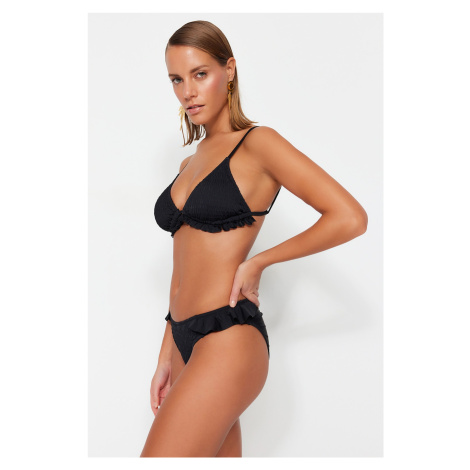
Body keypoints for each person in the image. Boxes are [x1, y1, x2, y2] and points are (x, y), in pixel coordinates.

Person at [141, 20, 368, 458]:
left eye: (200, 74)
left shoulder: (258, 143)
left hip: (227, 338)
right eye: (176, 80)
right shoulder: (190, 162)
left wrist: (259, 261)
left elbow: (350, 217)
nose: (188, 91)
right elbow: (181, 267)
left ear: (229, 70)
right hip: (185, 340)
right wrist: (166, 353)